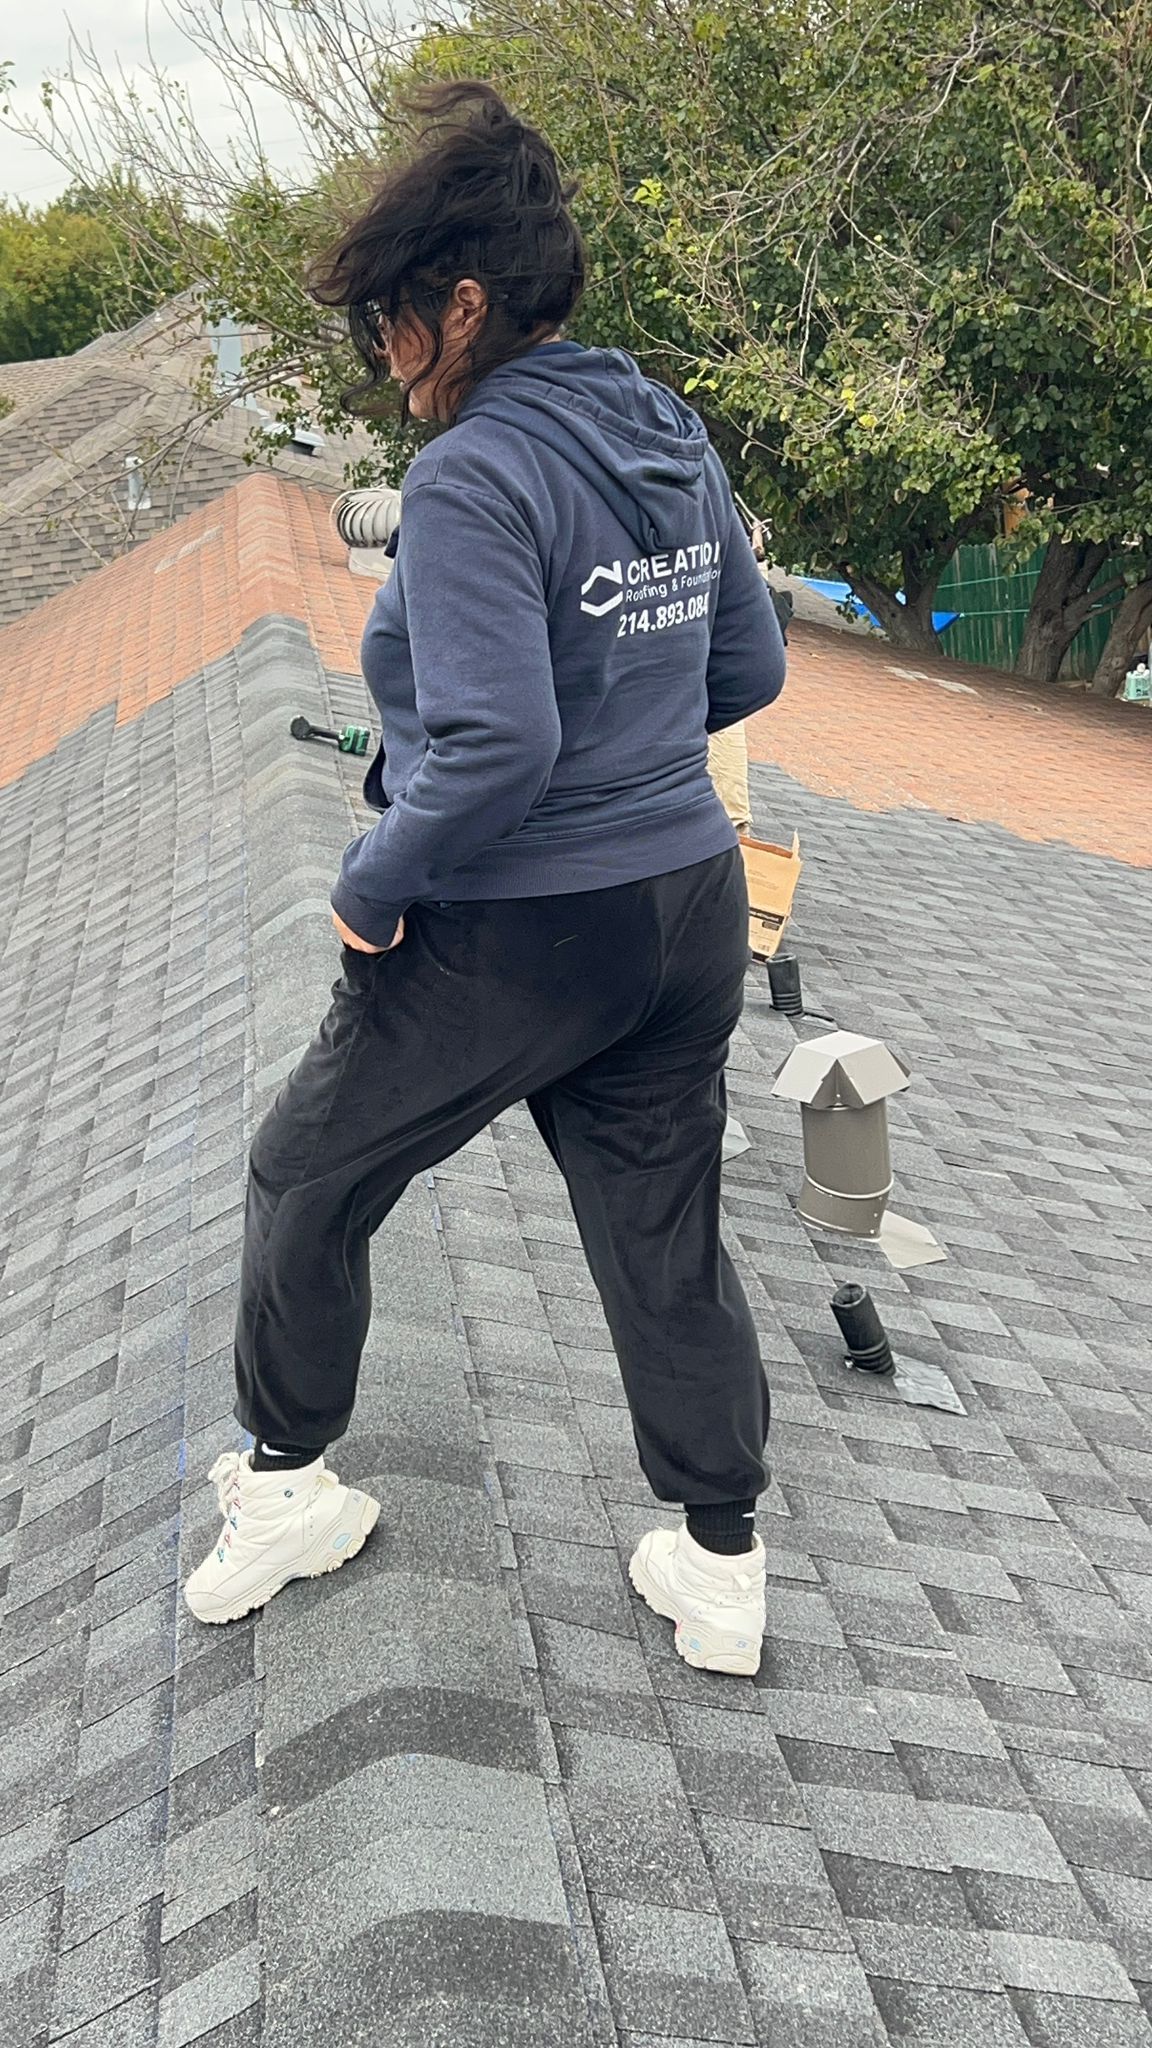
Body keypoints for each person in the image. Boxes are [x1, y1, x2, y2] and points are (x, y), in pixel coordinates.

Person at [185, 81, 786, 1676]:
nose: (387, 368)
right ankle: (721, 1564)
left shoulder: (471, 477)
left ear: (463, 303)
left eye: (394, 324)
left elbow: (498, 747)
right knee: (662, 1226)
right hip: (687, 908)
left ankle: (287, 1484)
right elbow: (748, 664)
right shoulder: (663, 423)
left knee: (302, 1177)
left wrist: (376, 880)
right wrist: (633, 753)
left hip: (520, 928)